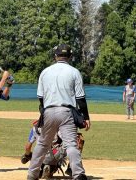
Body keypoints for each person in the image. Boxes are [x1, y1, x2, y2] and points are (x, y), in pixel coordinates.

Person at [27, 44, 91, 180]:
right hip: (66, 111)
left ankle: (32, 175)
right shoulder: (74, 72)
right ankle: (78, 174)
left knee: (42, 144)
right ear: (70, 56)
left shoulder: (45, 72)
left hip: (48, 110)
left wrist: (44, 112)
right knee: (71, 145)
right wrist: (85, 117)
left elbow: (40, 97)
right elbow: (80, 98)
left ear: (55, 56)